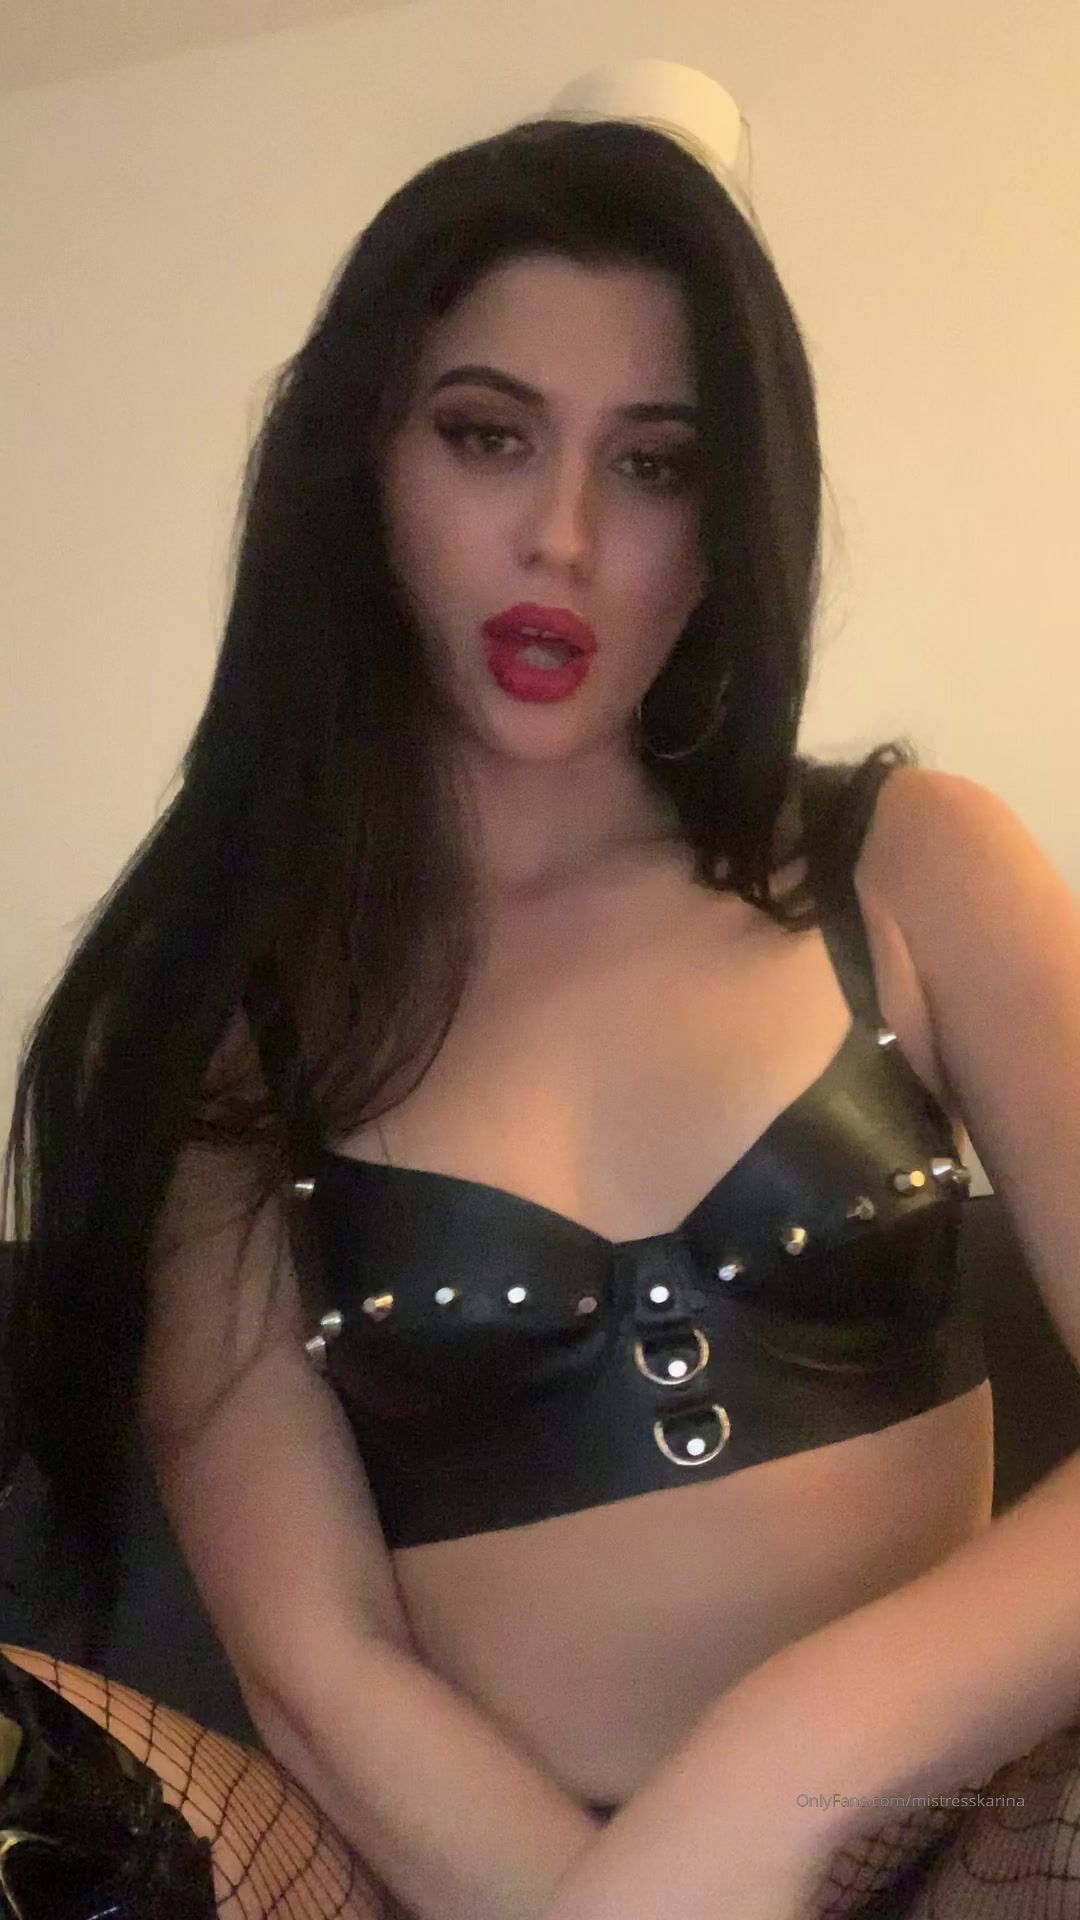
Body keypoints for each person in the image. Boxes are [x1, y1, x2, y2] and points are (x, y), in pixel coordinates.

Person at [3, 111, 1079, 1920]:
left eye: (653, 465)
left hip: (979, 1836)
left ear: (728, 528)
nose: (562, 538)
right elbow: (322, 1669)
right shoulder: (212, 1022)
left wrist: (775, 1775)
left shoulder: (912, 866)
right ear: (365, 467)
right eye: (488, 435)